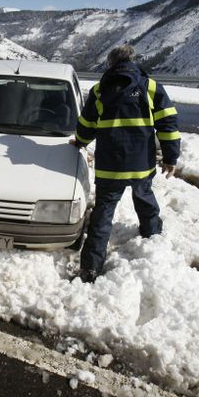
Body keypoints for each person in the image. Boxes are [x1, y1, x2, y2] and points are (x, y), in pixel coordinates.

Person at [71, 44, 180, 283]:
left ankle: (90, 269)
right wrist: (171, 157)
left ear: (110, 64)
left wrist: (79, 142)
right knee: (144, 198)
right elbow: (168, 124)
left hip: (110, 165)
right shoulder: (150, 87)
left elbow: (87, 125)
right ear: (132, 60)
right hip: (141, 162)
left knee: (103, 213)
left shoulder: (100, 90)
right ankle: (152, 240)